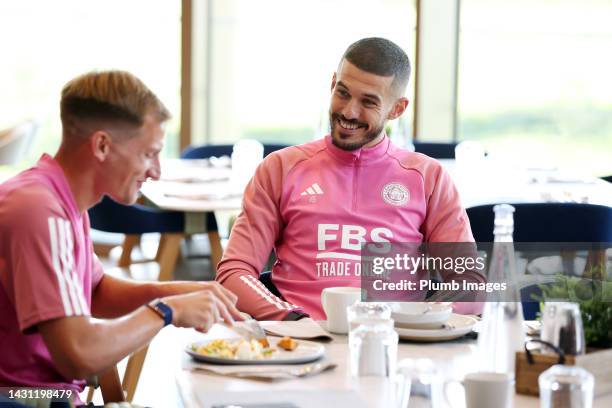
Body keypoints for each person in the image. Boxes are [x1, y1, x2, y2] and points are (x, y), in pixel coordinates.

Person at [0, 70, 243, 404]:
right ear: (102, 145)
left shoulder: (59, 199)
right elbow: (78, 354)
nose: (156, 170)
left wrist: (185, 293)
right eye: (148, 153)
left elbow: (96, 292)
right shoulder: (39, 210)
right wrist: (166, 311)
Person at [216, 37, 485, 321]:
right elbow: (234, 273)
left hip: (398, 344)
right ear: (333, 84)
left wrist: (414, 321)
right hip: (300, 344)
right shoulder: (280, 168)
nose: (348, 112)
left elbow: (471, 284)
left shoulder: (428, 177)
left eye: (368, 102)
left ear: (397, 109)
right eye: (343, 93)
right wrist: (293, 321)